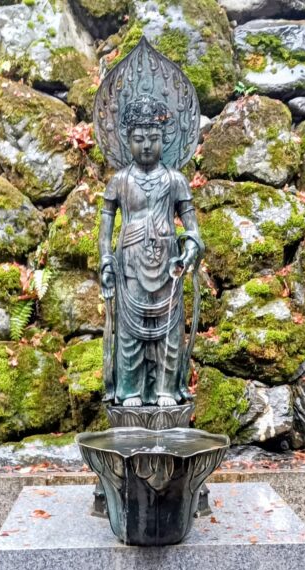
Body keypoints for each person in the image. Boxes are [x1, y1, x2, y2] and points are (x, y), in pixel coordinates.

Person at [98, 95, 204, 407]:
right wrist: (105, 259)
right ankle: (129, 390)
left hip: (168, 265)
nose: (146, 146)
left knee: (170, 333)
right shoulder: (119, 181)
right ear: (126, 140)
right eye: (139, 139)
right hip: (129, 262)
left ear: (165, 140)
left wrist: (191, 248)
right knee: (129, 333)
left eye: (154, 139)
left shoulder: (175, 180)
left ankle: (165, 390)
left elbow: (192, 228)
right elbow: (105, 230)